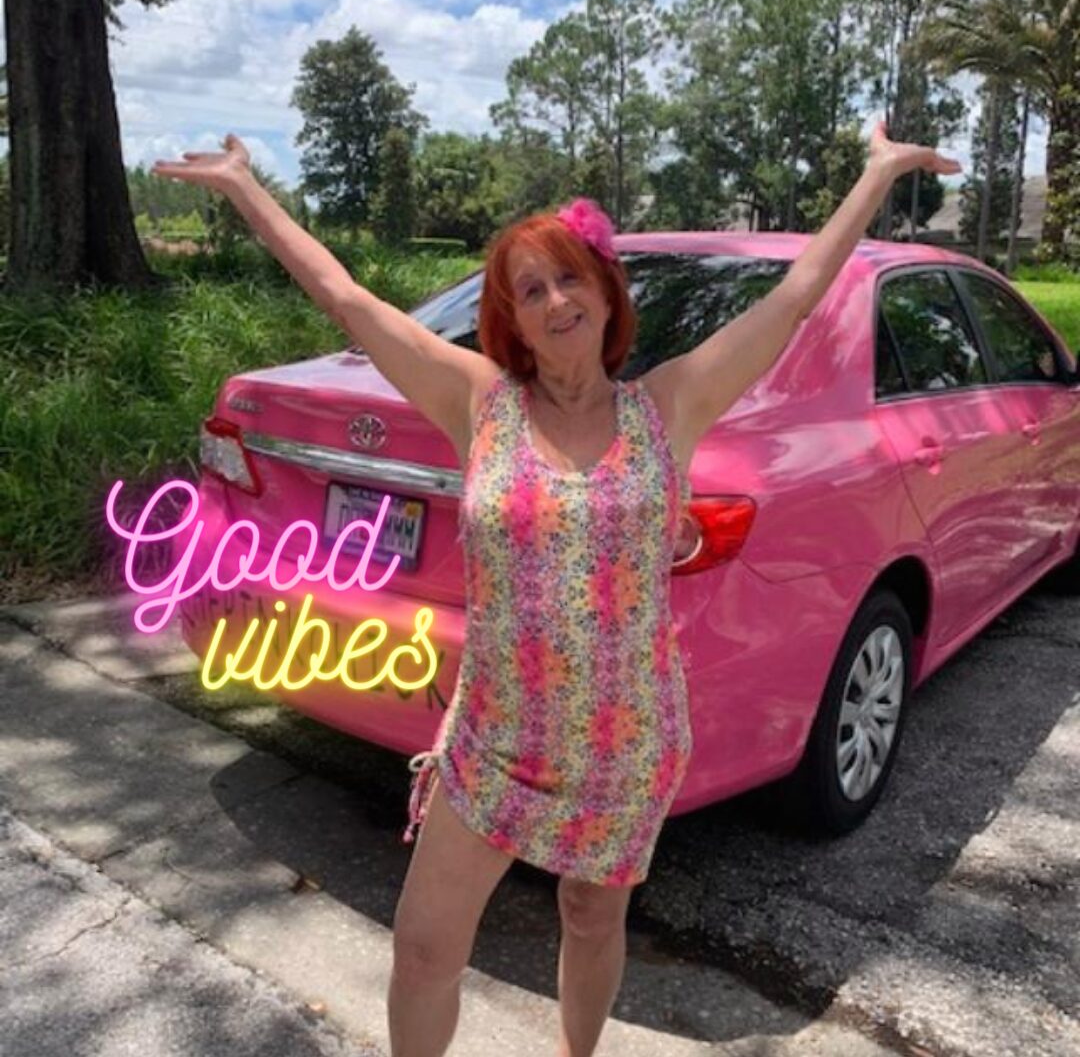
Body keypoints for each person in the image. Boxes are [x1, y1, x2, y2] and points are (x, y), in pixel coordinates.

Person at [152, 122, 961, 1057]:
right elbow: (345, 297)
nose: (555, 300)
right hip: (494, 736)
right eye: (530, 290)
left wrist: (875, 174)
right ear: (514, 318)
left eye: (570, 276)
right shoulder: (477, 403)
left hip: (627, 737)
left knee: (590, 917)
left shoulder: (671, 405)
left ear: (605, 291)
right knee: (423, 947)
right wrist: (247, 188)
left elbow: (797, 295)